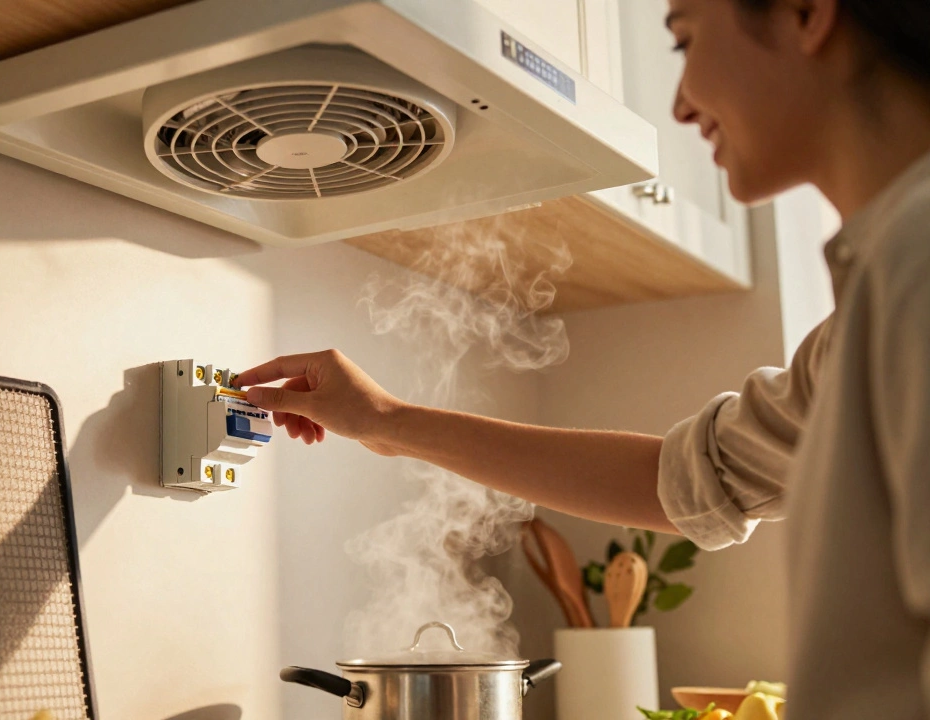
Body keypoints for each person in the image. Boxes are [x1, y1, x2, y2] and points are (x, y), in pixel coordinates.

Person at [236, 0, 930, 716]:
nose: (682, 104)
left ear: (806, 13)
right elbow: (684, 480)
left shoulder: (916, 265)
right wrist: (385, 421)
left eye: (684, 40)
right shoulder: (878, 297)